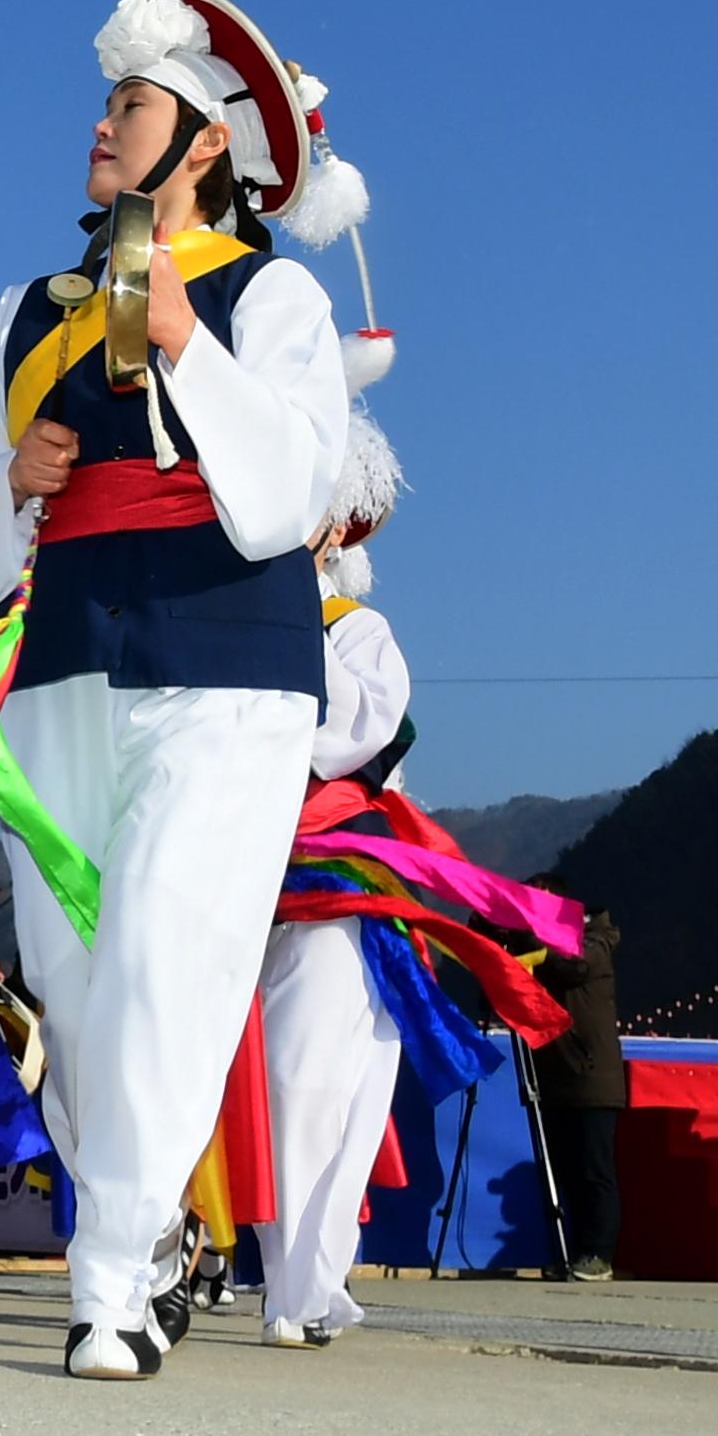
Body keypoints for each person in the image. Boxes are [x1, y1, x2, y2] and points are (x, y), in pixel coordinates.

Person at [0, 0, 349, 1377]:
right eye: (105, 109)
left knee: (170, 945)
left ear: (205, 143)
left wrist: (182, 341)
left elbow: (291, 490)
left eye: (133, 108)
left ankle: (104, 1285)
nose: (103, 126)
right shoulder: (23, 310)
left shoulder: (271, 295)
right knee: (78, 975)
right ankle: (143, 1233)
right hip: (66, 663)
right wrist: (5, 481)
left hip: (229, 659)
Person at [249, 413, 414, 1349]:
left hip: (329, 880)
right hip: (232, 867)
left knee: (308, 1075)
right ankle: (194, 1268)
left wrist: (285, 616)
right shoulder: (217, 619)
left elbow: (355, 737)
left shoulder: (359, 632)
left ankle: (302, 1286)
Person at [530, 888, 626, 1282]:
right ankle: (577, 1252)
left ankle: (599, 1254)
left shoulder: (597, 941)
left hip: (592, 1079)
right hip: (560, 1076)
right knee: (568, 1171)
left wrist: (533, 938)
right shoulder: (555, 941)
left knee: (593, 1170)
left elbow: (572, 965)